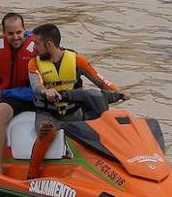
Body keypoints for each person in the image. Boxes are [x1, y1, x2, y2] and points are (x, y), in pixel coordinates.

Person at [25, 22, 126, 167]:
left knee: (101, 130)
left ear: (49, 44)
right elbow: (36, 86)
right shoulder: (34, 64)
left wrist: (117, 92)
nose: (34, 48)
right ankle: (32, 175)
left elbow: (101, 81)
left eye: (37, 44)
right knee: (46, 130)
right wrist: (45, 91)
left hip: (74, 114)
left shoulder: (77, 60)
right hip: (48, 115)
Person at [0, 12, 39, 174]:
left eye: (19, 32)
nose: (16, 37)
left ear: (25, 30)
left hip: (32, 96)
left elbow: (38, 89)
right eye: (10, 34)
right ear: (3, 33)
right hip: (8, 101)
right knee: (0, 111)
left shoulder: (37, 47)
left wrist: (3, 94)